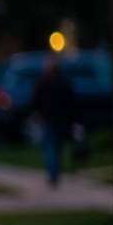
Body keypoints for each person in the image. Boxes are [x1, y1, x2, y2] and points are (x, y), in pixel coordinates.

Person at [31, 54, 77, 188]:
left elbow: (35, 99)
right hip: (60, 118)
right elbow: (71, 101)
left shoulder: (43, 80)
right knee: (57, 146)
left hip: (48, 117)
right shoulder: (63, 80)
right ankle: (55, 173)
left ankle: (53, 174)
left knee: (50, 146)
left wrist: (37, 113)